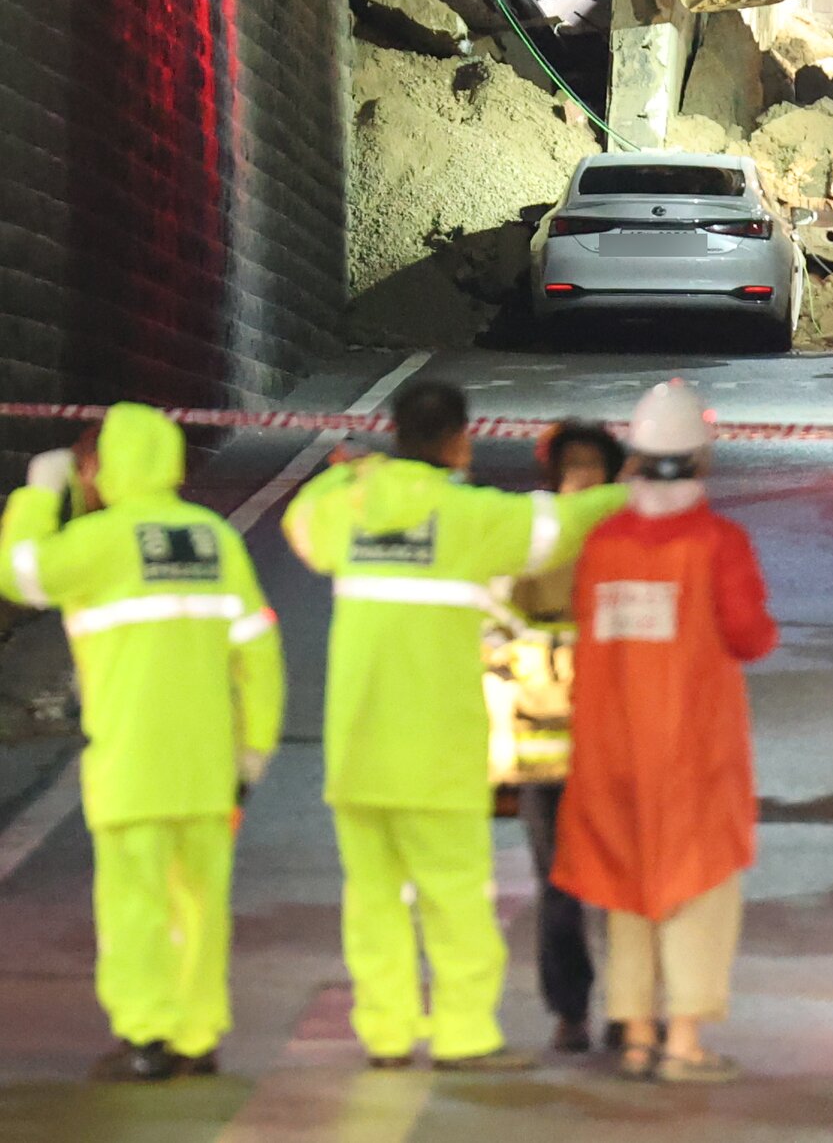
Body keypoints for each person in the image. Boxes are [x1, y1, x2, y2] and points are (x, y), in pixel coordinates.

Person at [282, 378, 628, 1072]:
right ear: (461, 441)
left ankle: (384, 1032)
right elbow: (565, 524)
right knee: (455, 896)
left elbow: (300, 518)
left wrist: (354, 473)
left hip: (356, 747)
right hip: (438, 749)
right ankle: (464, 1033)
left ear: (395, 435)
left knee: (372, 899)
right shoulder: (470, 516)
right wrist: (646, 482)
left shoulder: (348, 507)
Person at [0, 404, 284, 1082]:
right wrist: (255, 750)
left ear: (103, 464)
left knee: (135, 907)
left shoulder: (100, 541)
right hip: (210, 764)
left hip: (130, 763)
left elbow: (20, 573)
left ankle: (148, 1034)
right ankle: (198, 1031)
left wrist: (39, 493)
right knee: (201, 906)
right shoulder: (214, 538)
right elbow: (259, 651)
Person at [554, 380, 778, 1085]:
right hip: (695, 755)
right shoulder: (719, 543)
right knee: (697, 891)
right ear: (701, 461)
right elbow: (749, 636)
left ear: (635, 461)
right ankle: (684, 1041)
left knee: (624, 893)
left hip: (608, 752)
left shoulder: (602, 543)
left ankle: (637, 1035)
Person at [510, 420, 626, 1054]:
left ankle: (629, 1005)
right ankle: (570, 1010)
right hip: (546, 744)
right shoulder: (533, 541)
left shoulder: (632, 539)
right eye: (570, 465)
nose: (581, 475)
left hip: (618, 744)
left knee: (623, 880)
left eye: (592, 464)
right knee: (557, 886)